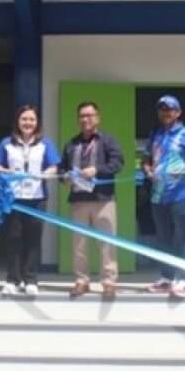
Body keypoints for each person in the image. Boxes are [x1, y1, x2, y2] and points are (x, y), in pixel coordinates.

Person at [0, 105, 60, 297]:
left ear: (37, 122)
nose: (28, 123)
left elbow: (54, 166)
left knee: (33, 239)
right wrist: (7, 171)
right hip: (13, 199)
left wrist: (44, 174)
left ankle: (31, 280)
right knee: (13, 238)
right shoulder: (6, 143)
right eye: (24, 119)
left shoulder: (46, 143)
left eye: (32, 119)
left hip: (37, 198)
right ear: (17, 121)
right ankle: (12, 279)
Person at [58, 101, 124, 299]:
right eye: (82, 116)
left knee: (107, 242)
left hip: (103, 199)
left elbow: (118, 163)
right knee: (79, 243)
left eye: (89, 115)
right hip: (79, 200)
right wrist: (65, 177)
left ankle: (109, 282)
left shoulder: (108, 140)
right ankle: (82, 281)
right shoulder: (71, 144)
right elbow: (61, 169)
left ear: (98, 118)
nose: (85, 119)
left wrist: (97, 170)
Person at [142, 95, 185, 297]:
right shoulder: (156, 134)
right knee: (163, 237)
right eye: (162, 109)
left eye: (169, 109)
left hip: (180, 193)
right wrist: (148, 171)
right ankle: (166, 278)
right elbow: (146, 160)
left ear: (178, 112)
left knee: (184, 235)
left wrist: (184, 170)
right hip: (158, 194)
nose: (165, 113)